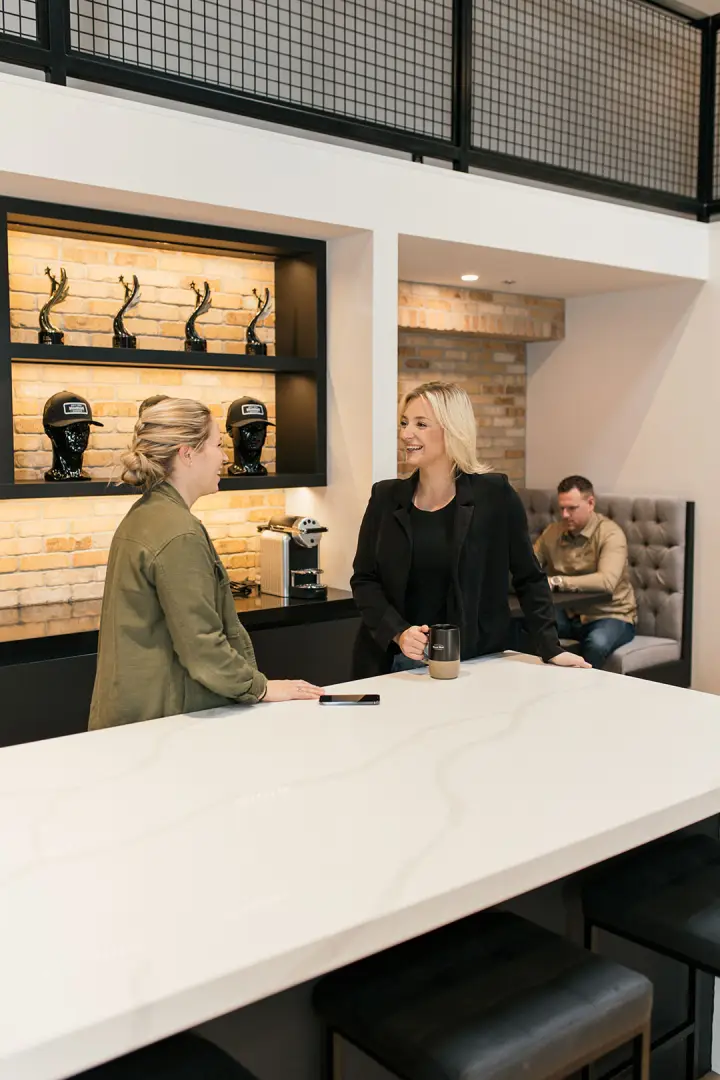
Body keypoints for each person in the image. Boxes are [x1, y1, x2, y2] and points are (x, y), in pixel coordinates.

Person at [89, 397, 323, 730]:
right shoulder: (178, 531)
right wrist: (262, 688)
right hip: (167, 722)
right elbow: (202, 646)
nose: (225, 456)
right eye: (216, 445)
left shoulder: (146, 515)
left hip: (139, 718)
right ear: (187, 454)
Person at [350, 381, 590, 677]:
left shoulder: (495, 495)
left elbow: (529, 577)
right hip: (394, 664)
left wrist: (551, 648)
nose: (405, 434)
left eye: (421, 424)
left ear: (451, 430)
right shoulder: (385, 498)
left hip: (475, 663)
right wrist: (399, 632)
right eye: (404, 423)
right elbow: (364, 579)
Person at [533, 475, 637, 669]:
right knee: (527, 624)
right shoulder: (553, 532)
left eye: (572, 508)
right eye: (562, 508)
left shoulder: (610, 534)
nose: (564, 514)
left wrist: (557, 582)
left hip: (610, 614)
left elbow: (606, 581)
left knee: (596, 644)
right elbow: (529, 565)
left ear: (590, 503)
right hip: (569, 614)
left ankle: (587, 696)